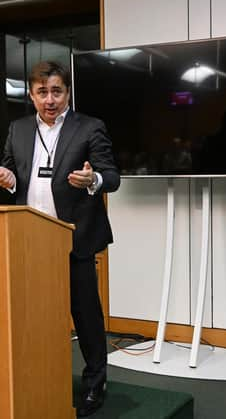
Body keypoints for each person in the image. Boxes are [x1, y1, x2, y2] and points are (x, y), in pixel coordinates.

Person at [0, 61, 120, 416]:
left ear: (67, 93)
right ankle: (38, 376)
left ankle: (95, 383)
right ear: (32, 95)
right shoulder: (18, 129)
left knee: (86, 317)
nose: (49, 99)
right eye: (42, 92)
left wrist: (94, 180)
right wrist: (6, 177)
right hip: (28, 242)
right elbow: (11, 170)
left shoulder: (90, 127)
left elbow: (112, 175)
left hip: (74, 238)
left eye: (56, 91)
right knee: (32, 315)